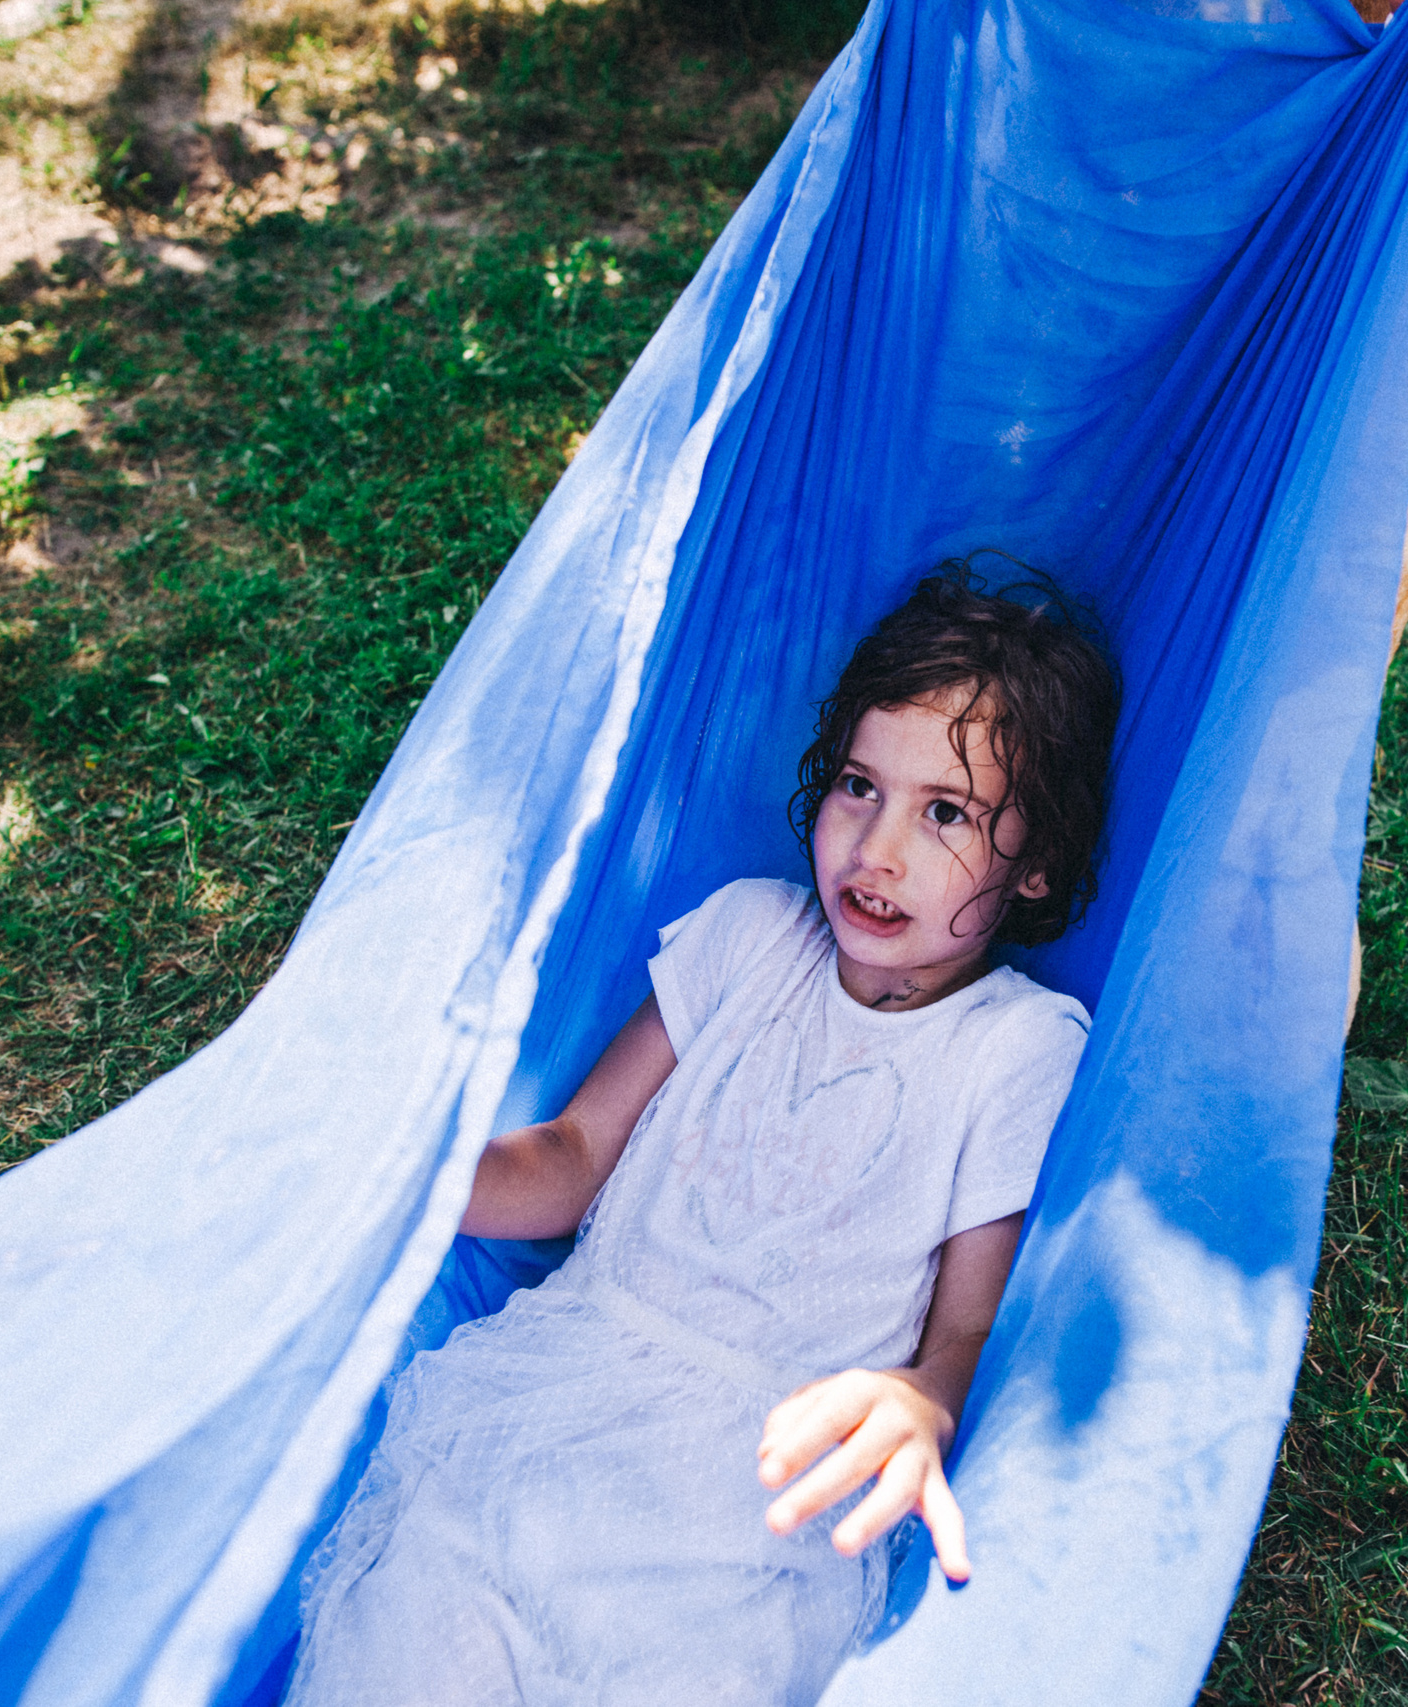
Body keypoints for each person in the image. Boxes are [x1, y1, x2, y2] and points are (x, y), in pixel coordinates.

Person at [286, 565, 1122, 1707]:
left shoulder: (1013, 1048)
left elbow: (970, 1320)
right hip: (564, 1398)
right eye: (856, 787)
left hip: (761, 1489)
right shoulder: (745, 933)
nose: (875, 850)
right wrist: (413, 1170)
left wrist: (925, 1397)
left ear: (1035, 865)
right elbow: (574, 1157)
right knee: (427, 1626)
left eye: (945, 814)